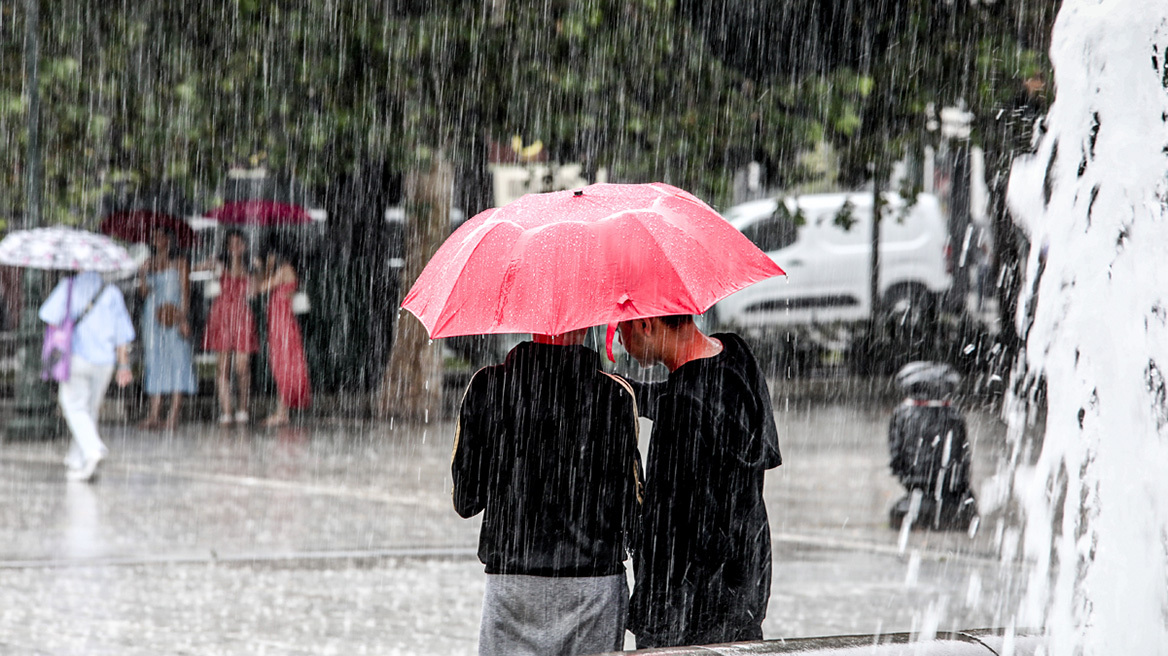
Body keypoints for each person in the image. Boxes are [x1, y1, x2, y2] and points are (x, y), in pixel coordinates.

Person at [452, 328, 643, 656]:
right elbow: (633, 509)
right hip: (594, 585)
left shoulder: (487, 386)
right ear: (586, 323)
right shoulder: (615, 395)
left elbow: (466, 500)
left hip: (513, 582)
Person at [616, 315, 781, 649]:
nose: (619, 340)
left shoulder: (682, 409)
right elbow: (698, 393)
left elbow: (671, 532)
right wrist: (632, 392)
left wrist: (653, 622)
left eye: (620, 327)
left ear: (647, 324)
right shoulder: (735, 359)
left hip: (687, 618)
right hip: (744, 588)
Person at [39, 270, 135, 482]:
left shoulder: (69, 287)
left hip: (77, 358)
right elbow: (123, 335)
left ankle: (93, 449)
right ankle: (78, 460)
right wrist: (124, 366)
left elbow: (49, 317)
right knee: (89, 409)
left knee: (72, 405)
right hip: (105, 362)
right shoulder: (112, 292)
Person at [137, 227, 197, 430]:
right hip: (152, 317)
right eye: (154, 237)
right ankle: (154, 414)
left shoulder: (180, 263)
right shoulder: (149, 264)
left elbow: (186, 295)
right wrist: (143, 275)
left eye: (160, 236)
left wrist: (183, 319)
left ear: (169, 240)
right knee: (155, 360)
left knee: (178, 360)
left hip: (174, 315)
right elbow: (144, 293)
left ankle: (173, 415)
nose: (156, 240)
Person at [197, 229, 258, 425]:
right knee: (223, 367)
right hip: (221, 316)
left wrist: (259, 270)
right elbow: (195, 269)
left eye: (238, 243)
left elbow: (255, 294)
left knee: (242, 366)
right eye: (230, 243)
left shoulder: (250, 268)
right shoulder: (219, 265)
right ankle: (226, 410)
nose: (234, 247)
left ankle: (243, 407)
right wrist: (209, 264)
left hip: (242, 317)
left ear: (245, 246)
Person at [253, 244, 310, 427]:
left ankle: (282, 412)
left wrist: (264, 267)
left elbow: (261, 288)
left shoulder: (285, 269)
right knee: (282, 367)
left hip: (283, 327)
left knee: (284, 366)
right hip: (280, 327)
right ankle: (282, 411)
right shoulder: (287, 270)